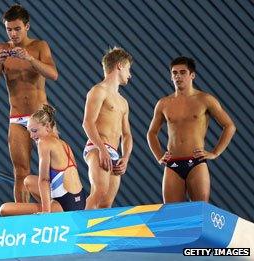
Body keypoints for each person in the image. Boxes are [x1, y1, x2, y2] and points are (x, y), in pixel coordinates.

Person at [0, 4, 58, 203]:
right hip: (17, 118)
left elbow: (53, 74)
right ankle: (22, 217)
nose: (13, 33)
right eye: (9, 29)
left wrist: (30, 59)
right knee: (20, 173)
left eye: (17, 29)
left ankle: (59, 212)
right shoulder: (1, 49)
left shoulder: (39, 46)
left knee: (56, 169)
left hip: (41, 117)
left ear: (27, 26)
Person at [147, 56, 236, 203]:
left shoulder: (205, 99)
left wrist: (215, 153)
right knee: (172, 215)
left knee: (199, 212)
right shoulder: (163, 103)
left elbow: (229, 126)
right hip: (173, 164)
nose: (178, 76)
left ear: (192, 75)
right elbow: (151, 132)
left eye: (183, 72)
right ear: (171, 76)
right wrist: (159, 156)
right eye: (175, 73)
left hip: (196, 162)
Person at [0, 105, 86, 216]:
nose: (31, 136)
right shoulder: (64, 144)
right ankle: (51, 207)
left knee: (4, 209)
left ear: (47, 127)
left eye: (34, 131)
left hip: (65, 206)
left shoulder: (44, 142)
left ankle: (51, 213)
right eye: (29, 131)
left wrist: (45, 212)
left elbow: (44, 180)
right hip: (79, 201)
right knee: (28, 180)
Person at [82, 47, 133, 209]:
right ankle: (80, 233)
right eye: (128, 69)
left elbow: (127, 135)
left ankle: (96, 235)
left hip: (115, 153)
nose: (129, 74)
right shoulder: (98, 91)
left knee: (106, 204)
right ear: (119, 66)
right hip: (97, 147)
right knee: (99, 191)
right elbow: (87, 123)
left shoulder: (123, 102)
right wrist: (102, 149)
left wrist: (125, 157)